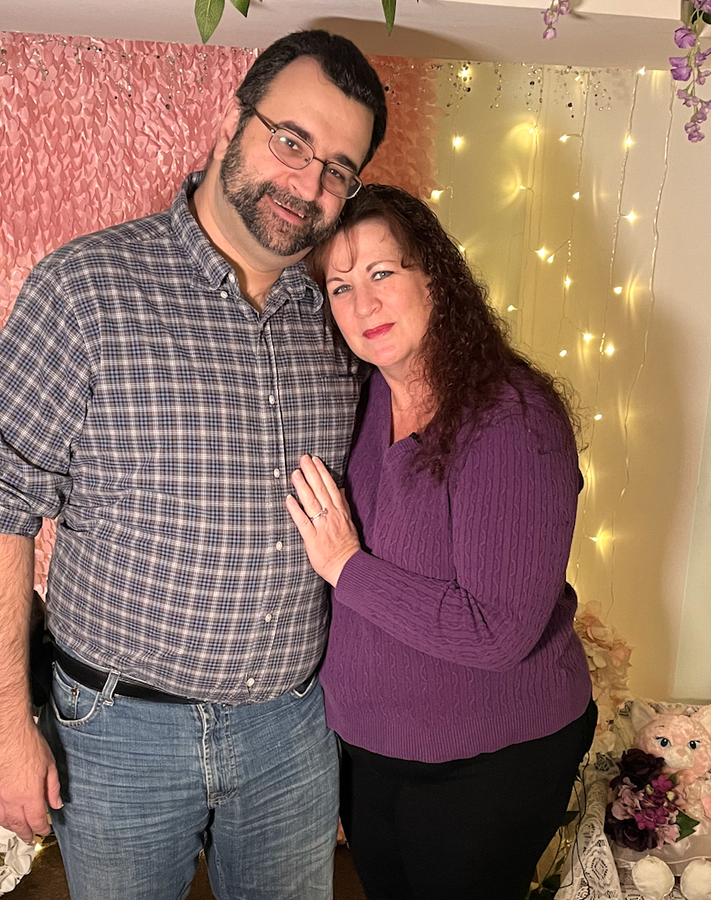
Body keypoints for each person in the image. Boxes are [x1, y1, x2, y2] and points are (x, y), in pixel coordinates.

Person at [0, 31, 387, 900]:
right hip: (118, 732)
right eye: (291, 141)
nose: (308, 185)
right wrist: (2, 729)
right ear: (232, 123)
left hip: (292, 730)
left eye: (338, 169)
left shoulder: (341, 315)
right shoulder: (86, 289)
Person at [290, 185, 597, 900]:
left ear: (434, 276)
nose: (363, 305)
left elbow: (498, 630)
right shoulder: (366, 396)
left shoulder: (511, 419)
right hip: (372, 750)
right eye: (340, 287)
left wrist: (345, 567)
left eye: (382, 273)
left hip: (488, 762)